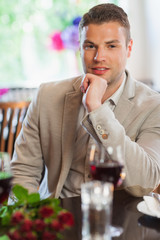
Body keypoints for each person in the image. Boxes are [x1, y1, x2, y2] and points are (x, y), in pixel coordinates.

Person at [10, 3, 160, 199]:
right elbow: (23, 173)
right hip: (57, 219)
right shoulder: (46, 95)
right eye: (90, 46)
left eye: (111, 46)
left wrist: (96, 109)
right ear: (79, 49)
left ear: (128, 48)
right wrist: (31, 221)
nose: (99, 57)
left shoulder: (153, 106)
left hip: (120, 224)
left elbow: (146, 181)